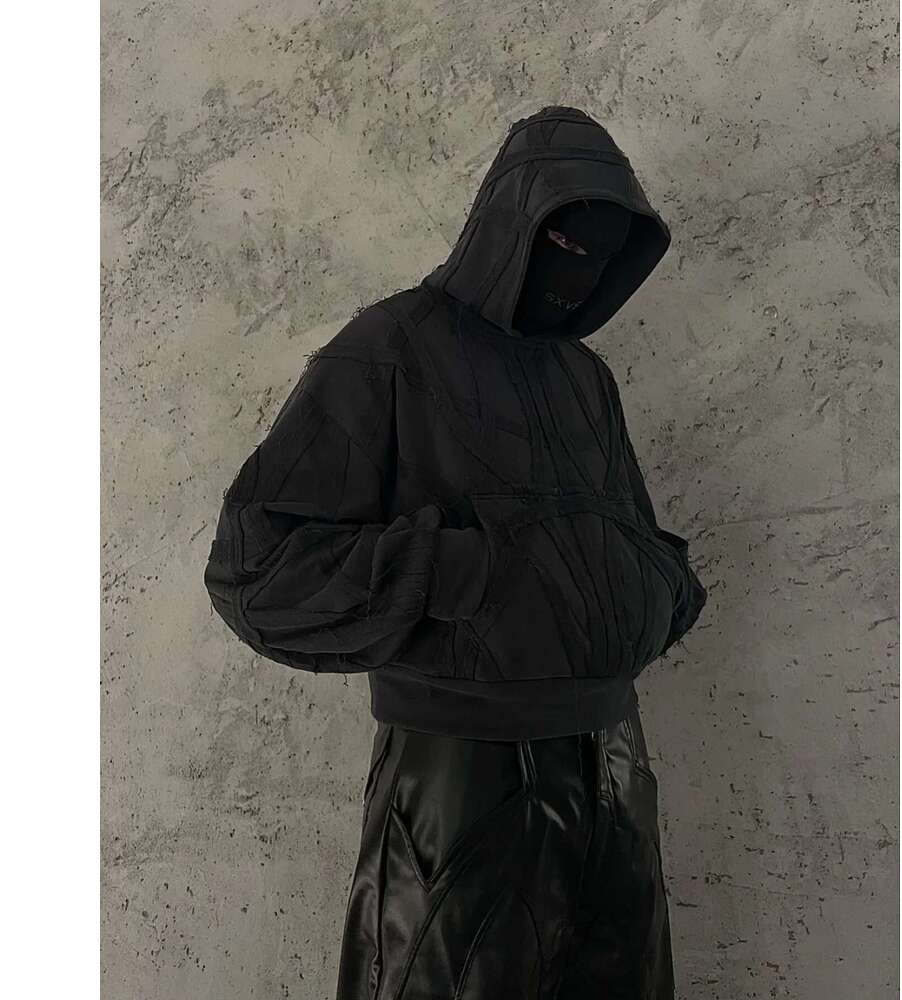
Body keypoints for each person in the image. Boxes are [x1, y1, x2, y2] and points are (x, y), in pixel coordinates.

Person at [203, 104, 707, 999]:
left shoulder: (585, 378)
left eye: (602, 257)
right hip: (461, 772)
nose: (579, 276)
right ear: (511, 223)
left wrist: (654, 591)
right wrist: (456, 574)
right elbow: (255, 566)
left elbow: (628, 533)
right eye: (566, 245)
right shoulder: (390, 348)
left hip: (615, 762)